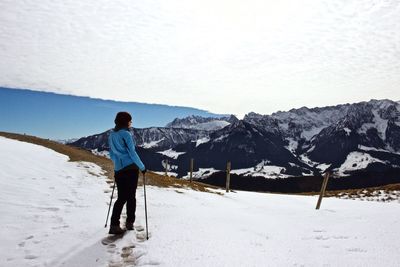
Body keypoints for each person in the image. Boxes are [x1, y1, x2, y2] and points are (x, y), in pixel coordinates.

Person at [108, 111, 146, 234]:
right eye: (130, 120)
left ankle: (114, 224)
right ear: (126, 122)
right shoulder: (126, 134)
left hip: (119, 170)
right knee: (131, 197)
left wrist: (117, 166)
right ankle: (130, 223)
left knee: (121, 198)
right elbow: (132, 153)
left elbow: (112, 154)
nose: (131, 123)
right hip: (131, 169)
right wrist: (142, 167)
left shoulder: (112, 135)